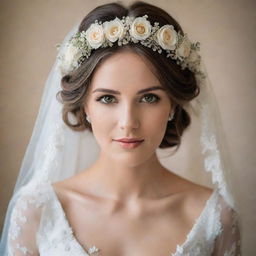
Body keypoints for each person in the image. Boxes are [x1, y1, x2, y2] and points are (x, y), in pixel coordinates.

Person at [0, 1, 241, 255]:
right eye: (107, 98)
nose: (128, 122)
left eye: (149, 98)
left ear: (172, 105)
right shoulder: (36, 213)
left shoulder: (216, 218)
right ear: (85, 107)